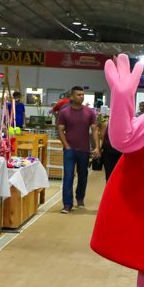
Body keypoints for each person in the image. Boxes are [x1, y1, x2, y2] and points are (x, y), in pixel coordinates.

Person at [57, 85, 100, 213]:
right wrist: (66, 146)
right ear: (72, 96)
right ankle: (67, 205)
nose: (81, 97)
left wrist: (97, 147)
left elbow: (94, 130)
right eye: (78, 95)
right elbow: (60, 130)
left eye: (82, 95)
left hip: (84, 150)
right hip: (69, 150)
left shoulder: (89, 112)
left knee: (83, 176)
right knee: (68, 177)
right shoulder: (64, 112)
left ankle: (80, 198)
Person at [99, 110, 122, 181]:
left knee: (116, 175)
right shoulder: (106, 123)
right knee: (110, 175)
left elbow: (101, 137)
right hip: (109, 152)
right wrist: (98, 149)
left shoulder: (124, 124)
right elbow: (101, 137)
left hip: (119, 152)